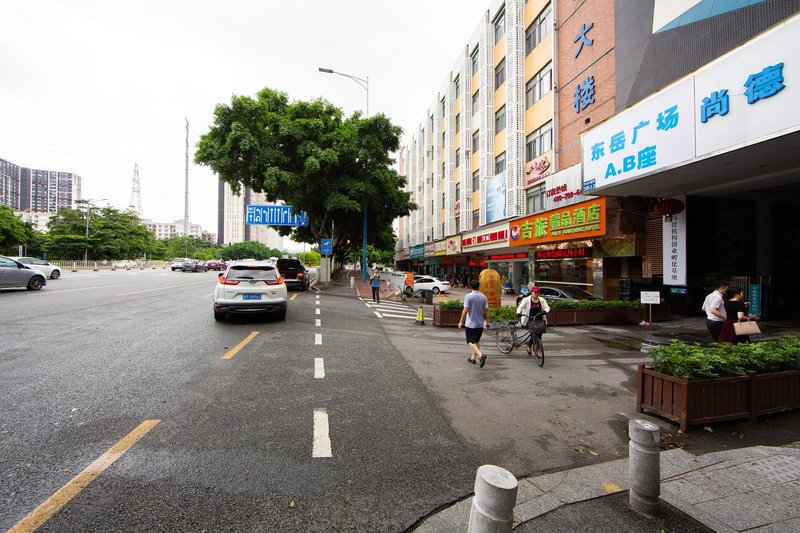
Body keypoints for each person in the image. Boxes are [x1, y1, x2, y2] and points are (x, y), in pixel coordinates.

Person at [458, 279, 490, 368]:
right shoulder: (483, 296)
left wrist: (461, 321)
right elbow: (487, 310)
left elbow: (465, 309)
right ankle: (473, 358)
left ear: (470, 286)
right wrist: (487, 322)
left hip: (471, 324)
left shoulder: (468, 296)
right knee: (476, 341)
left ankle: (480, 355)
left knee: (470, 342)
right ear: (479, 286)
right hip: (480, 324)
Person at [516, 286, 550, 354]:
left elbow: (547, 307)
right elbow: (520, 307)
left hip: (539, 319)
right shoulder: (526, 300)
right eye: (535, 292)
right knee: (534, 333)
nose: (536, 294)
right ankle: (538, 350)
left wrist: (545, 311)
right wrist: (519, 313)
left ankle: (529, 344)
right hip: (530, 319)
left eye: (538, 293)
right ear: (532, 292)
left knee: (539, 335)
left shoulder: (542, 300)